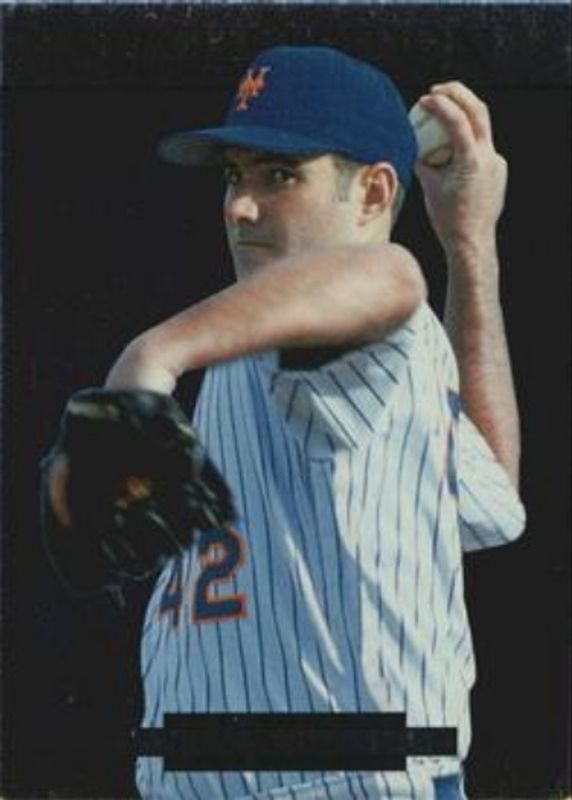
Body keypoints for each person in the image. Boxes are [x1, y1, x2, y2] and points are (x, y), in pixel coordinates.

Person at [101, 45, 525, 799]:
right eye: (234, 175)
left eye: (279, 175)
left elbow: (387, 276)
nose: (239, 206)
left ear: (373, 194)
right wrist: (468, 243)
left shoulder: (373, 331)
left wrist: (153, 352)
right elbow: (489, 497)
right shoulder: (265, 333)